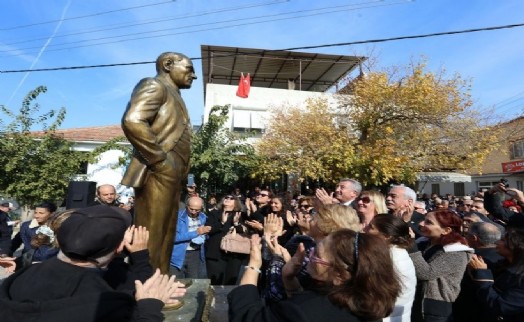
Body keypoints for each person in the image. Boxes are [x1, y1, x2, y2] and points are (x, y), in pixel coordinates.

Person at [0, 205, 186, 321]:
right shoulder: (107, 304)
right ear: (120, 246)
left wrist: (135, 294)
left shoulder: (22, 277)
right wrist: (149, 306)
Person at [121, 51, 197, 273]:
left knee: (166, 231)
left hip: (173, 172)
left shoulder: (175, 94)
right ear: (167, 65)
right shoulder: (154, 86)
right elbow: (133, 120)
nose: (193, 76)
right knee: (152, 233)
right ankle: (148, 285)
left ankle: (161, 278)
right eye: (189, 69)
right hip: (158, 169)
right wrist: (160, 160)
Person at [228, 230, 401, 322]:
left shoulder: (302, 312)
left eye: (316, 254)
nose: (308, 256)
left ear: (339, 275)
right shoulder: (366, 302)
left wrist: (253, 265)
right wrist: (289, 279)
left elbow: (246, 316)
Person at [409, 210, 474, 322]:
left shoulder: (456, 252)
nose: (421, 224)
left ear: (446, 230)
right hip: (415, 303)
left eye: (429, 222)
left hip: (434, 310)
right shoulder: (425, 243)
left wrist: (412, 247)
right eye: (424, 220)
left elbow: (426, 273)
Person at [468, 217, 524, 321]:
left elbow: (500, 306)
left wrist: (482, 275)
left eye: (503, 240)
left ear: (514, 246)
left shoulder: (521, 277)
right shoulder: (503, 265)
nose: (497, 242)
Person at [368, 214, 417, 322]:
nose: (365, 229)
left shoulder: (388, 261)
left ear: (386, 236)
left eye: (371, 227)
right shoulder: (397, 253)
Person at [205, 195, 246, 285]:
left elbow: (244, 232)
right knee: (215, 284)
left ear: (236, 203)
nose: (228, 199)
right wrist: (222, 223)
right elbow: (209, 230)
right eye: (226, 197)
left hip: (234, 254)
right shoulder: (214, 213)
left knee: (230, 284)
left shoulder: (239, 215)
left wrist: (236, 223)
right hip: (216, 254)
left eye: (232, 198)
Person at [170, 197, 211, 279]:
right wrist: (196, 233)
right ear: (186, 206)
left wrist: (206, 234)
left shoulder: (203, 217)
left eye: (197, 210)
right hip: (178, 254)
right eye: (191, 209)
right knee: (176, 283)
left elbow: (205, 236)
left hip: (195, 254)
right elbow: (173, 238)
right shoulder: (177, 217)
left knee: (193, 284)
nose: (193, 212)